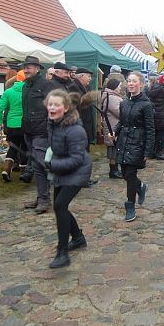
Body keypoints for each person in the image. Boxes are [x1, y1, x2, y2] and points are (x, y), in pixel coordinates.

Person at [43, 89, 91, 268]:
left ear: (66, 108)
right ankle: (78, 237)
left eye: (56, 105)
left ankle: (62, 252)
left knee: (60, 206)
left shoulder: (76, 130)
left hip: (78, 171)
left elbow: (77, 159)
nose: (52, 107)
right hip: (62, 169)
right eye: (50, 104)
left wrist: (52, 165)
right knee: (59, 207)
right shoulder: (53, 123)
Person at [114, 72, 155, 222]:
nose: (131, 84)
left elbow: (151, 128)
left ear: (141, 85)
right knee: (125, 174)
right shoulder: (124, 102)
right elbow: (121, 122)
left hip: (137, 143)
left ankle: (130, 205)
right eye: (129, 81)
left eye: (134, 81)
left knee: (130, 174)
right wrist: (115, 131)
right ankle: (141, 187)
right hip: (123, 141)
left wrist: (148, 150)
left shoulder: (146, 105)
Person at [21, 55, 54, 213]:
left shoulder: (46, 85)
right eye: (25, 67)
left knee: (41, 165)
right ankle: (41, 196)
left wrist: (50, 127)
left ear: (37, 68)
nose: (26, 69)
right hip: (29, 131)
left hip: (42, 132)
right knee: (35, 165)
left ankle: (45, 200)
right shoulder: (25, 85)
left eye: (29, 67)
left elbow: (53, 109)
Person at [0, 70, 26, 181]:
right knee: (24, 147)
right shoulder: (28, 91)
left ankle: (6, 170)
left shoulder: (8, 92)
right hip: (24, 124)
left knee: (13, 147)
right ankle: (24, 173)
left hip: (11, 123)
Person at [100, 78, 124, 179]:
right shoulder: (112, 98)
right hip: (112, 127)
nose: (120, 88)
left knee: (114, 149)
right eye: (119, 86)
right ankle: (113, 171)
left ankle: (114, 170)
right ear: (114, 87)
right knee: (113, 150)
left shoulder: (112, 96)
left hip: (112, 126)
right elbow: (119, 112)